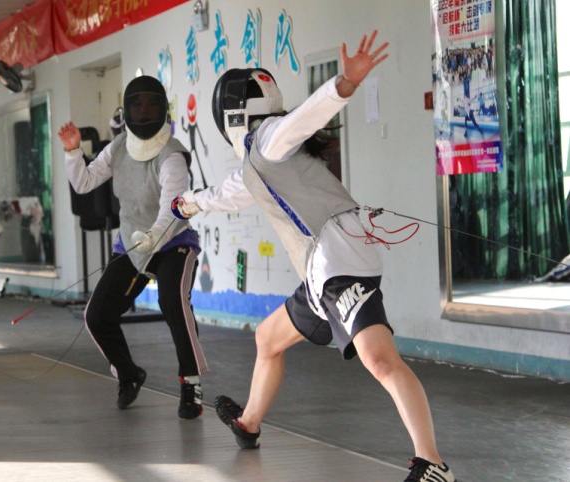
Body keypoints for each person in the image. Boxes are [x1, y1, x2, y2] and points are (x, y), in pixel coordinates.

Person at [173, 31, 455, 481]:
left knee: (381, 361)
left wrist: (345, 84)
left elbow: (304, 118)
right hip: (322, 274)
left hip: (340, 264)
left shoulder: (269, 138)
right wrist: (188, 203)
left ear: (231, 113)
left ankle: (433, 464)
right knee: (268, 339)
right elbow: (230, 193)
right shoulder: (259, 160)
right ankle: (248, 424)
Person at [59, 75, 209, 419]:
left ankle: (191, 384)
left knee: (173, 302)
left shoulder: (172, 156)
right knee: (97, 315)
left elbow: (173, 209)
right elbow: (84, 183)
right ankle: (128, 374)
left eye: (151, 104)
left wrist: (153, 237)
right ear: (127, 110)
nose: (143, 111)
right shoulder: (118, 148)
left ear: (163, 109)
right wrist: (73, 151)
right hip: (131, 243)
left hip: (173, 242)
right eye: (137, 105)